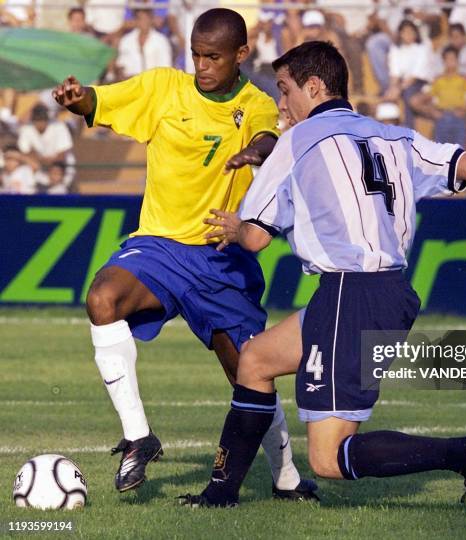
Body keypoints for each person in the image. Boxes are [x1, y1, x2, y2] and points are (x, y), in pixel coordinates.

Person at [179, 41, 466, 514]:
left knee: (328, 457)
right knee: (255, 360)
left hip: (351, 292)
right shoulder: (393, 137)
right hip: (381, 291)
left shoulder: (297, 140)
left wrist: (238, 228)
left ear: (315, 87)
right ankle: (219, 495)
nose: (281, 103)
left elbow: (256, 238)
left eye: (285, 89)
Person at [51, 8, 316, 501]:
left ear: (241, 54)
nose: (202, 65)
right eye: (195, 54)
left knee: (246, 370)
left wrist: (255, 153)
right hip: (158, 246)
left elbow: (265, 136)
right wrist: (77, 97)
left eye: (213, 56)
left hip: (219, 256)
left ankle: (287, 476)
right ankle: (139, 435)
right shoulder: (162, 88)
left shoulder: (256, 103)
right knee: (102, 299)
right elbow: (100, 101)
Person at [411, 45, 466, 147]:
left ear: (457, 61)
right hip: (442, 117)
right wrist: (432, 111)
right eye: (447, 59)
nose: (450, 62)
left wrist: (465, 109)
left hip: (458, 117)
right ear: (443, 62)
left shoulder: (463, 79)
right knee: (440, 151)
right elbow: (427, 96)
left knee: (459, 152)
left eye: (453, 59)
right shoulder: (438, 80)